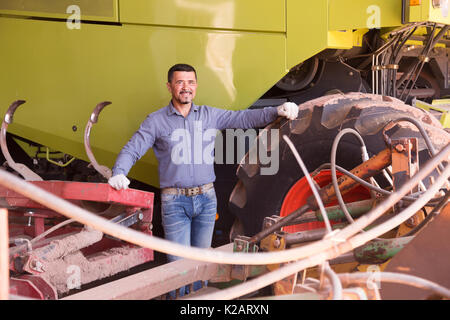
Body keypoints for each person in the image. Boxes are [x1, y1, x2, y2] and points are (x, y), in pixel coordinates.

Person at [108, 63, 298, 297]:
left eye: (190, 82)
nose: (185, 88)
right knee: (176, 268)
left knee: (201, 263)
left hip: (206, 199)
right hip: (174, 203)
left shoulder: (210, 115)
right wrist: (119, 171)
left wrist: (276, 110)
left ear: (196, 86)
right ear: (169, 87)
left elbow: (243, 118)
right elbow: (133, 148)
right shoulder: (156, 121)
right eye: (179, 82)